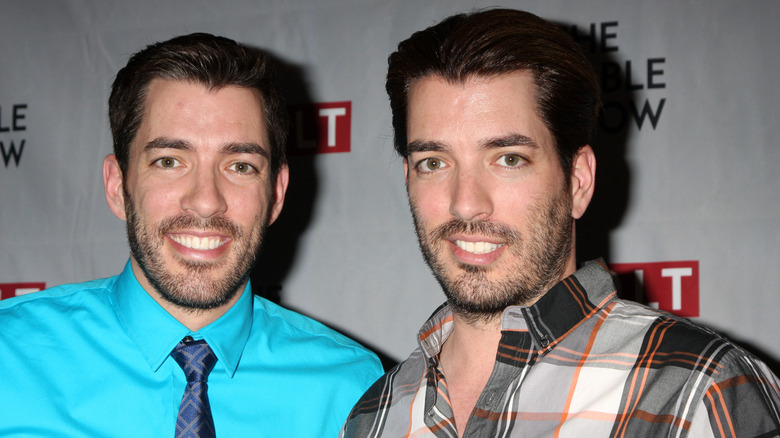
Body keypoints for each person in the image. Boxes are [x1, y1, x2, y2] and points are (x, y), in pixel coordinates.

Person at [342, 9, 780, 437]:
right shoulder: (374, 417)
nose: (465, 204)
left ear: (578, 180)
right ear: (407, 178)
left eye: (508, 159)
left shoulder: (696, 391)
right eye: (434, 162)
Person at [0, 33, 383, 437]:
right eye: (169, 161)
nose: (205, 201)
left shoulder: (354, 390)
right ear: (117, 186)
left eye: (240, 166)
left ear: (275, 194)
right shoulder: (9, 354)